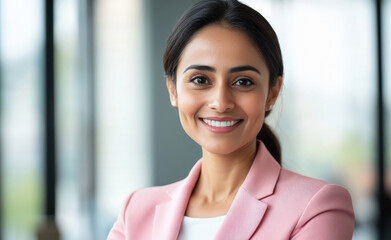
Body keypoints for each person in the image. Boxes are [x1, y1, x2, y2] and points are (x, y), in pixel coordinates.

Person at [107, 0, 355, 239]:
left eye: (243, 82)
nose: (221, 102)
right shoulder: (136, 210)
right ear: (173, 89)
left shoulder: (317, 207)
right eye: (200, 80)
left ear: (272, 93)